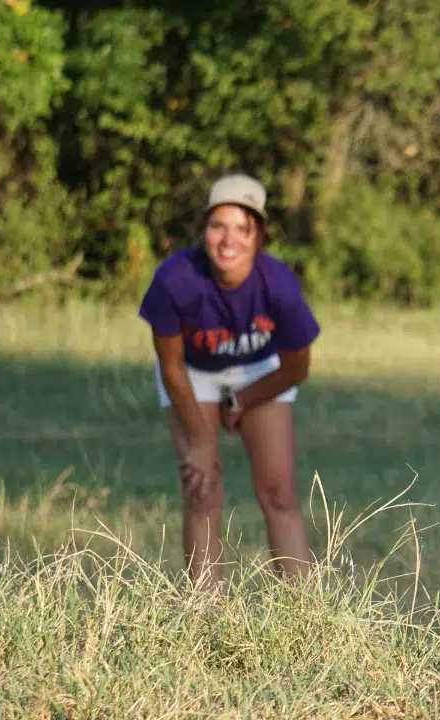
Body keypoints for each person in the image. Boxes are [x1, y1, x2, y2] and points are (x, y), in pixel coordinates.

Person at [137, 173, 321, 589]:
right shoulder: (175, 280)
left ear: (259, 236)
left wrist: (242, 400)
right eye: (218, 225)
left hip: (259, 369)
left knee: (278, 491)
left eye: (243, 228)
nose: (228, 240)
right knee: (202, 490)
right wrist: (201, 442)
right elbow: (171, 367)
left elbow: (296, 369)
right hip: (193, 374)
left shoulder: (279, 286)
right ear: (204, 229)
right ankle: (206, 617)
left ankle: (306, 616)